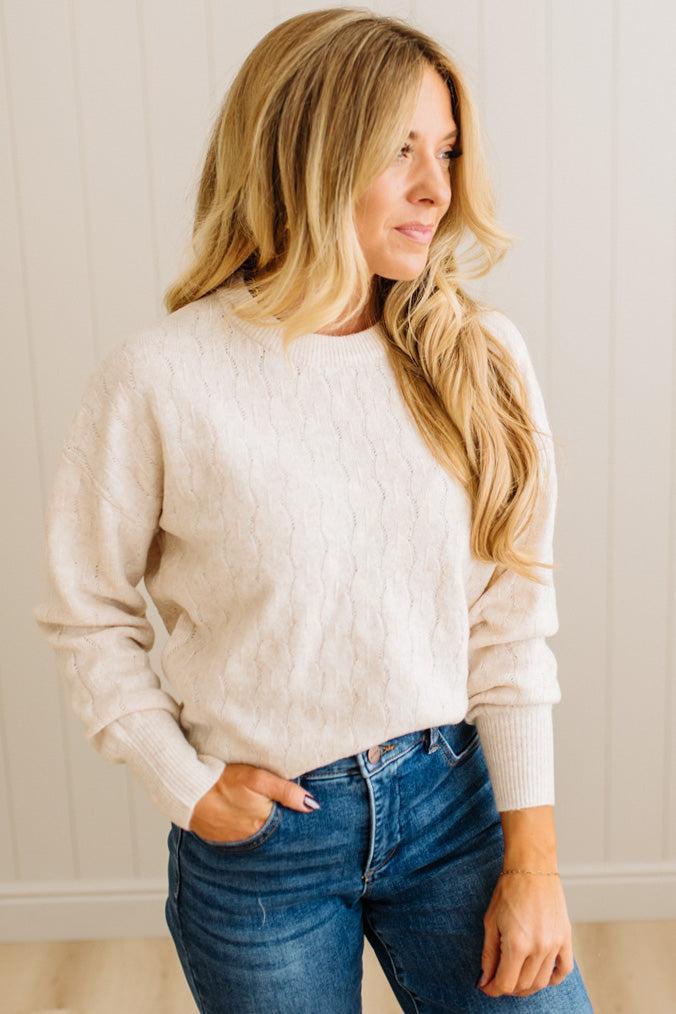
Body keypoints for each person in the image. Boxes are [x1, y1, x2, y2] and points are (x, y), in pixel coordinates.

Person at [33, 6, 595, 1012]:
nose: (438, 188)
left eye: (449, 150)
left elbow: (511, 627)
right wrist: (182, 782)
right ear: (308, 156)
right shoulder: (161, 379)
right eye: (401, 151)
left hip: (455, 809)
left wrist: (535, 863)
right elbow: (89, 613)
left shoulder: (480, 359)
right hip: (266, 850)